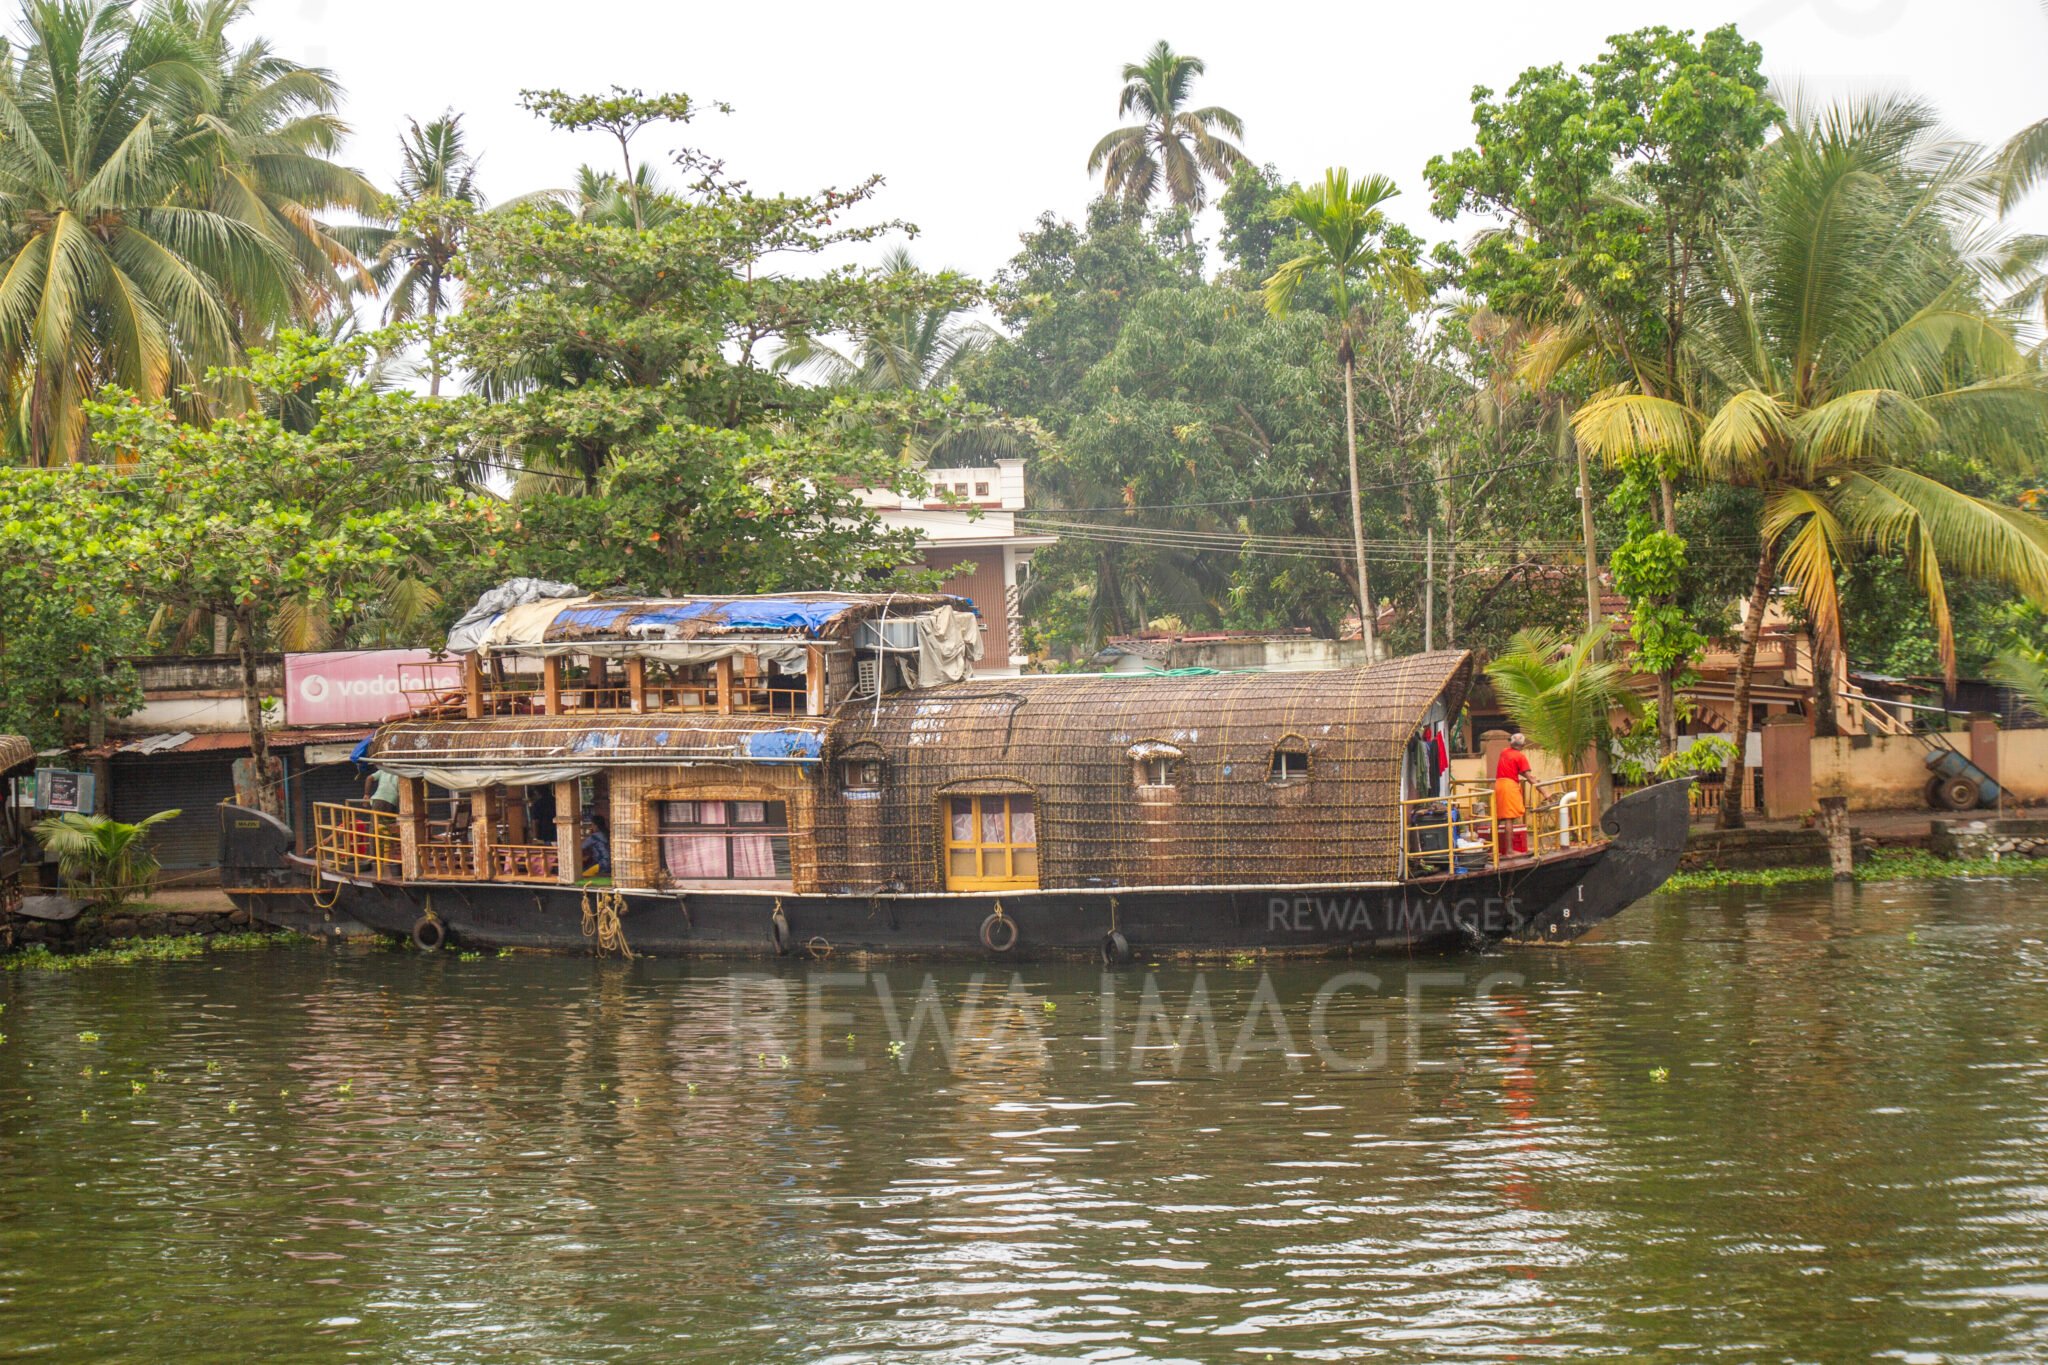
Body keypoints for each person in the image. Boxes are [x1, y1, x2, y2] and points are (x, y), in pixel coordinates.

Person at [1494, 733, 1533, 858]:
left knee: (1498, 817)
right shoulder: (1520, 757)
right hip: (1509, 786)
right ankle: (1510, 850)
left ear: (1510, 743)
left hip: (1499, 784)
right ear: (1524, 745)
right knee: (1509, 818)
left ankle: (1492, 848)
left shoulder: (1504, 752)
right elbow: (1528, 776)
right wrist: (1545, 792)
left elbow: (1516, 769)